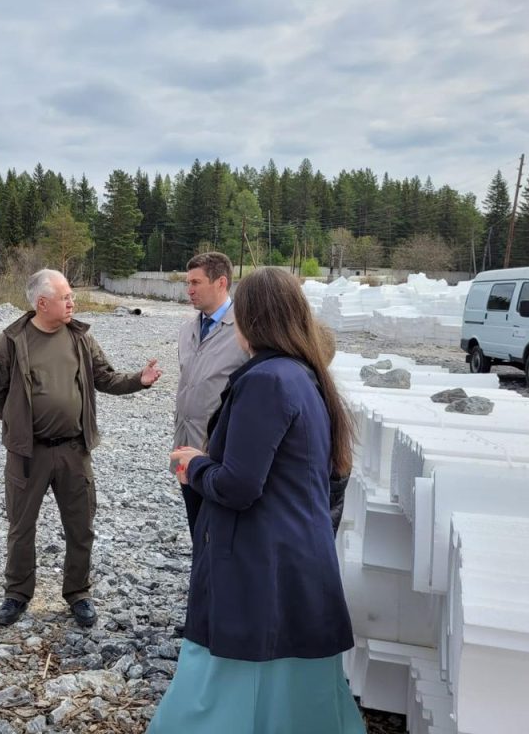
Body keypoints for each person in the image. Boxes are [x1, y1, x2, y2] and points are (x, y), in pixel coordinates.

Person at [152, 267, 365, 734]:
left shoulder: (266, 380)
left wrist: (195, 465)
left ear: (250, 319)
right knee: (296, 693)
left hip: (258, 565)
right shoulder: (304, 374)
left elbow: (239, 485)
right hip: (296, 561)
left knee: (220, 687)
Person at [0, 269, 163, 629]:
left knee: (81, 526)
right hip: (27, 454)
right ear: (42, 303)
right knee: (21, 527)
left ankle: (78, 593)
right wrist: (18, 424)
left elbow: (105, 377)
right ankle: (17, 594)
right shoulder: (11, 340)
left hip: (74, 451)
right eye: (65, 297)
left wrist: (138, 381)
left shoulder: (79, 337)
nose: (72, 301)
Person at [174, 251, 248, 537]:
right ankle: (200, 580)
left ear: (221, 283)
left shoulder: (244, 330)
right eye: (187, 283)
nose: (189, 290)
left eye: (196, 282)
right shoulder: (187, 329)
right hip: (186, 446)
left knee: (220, 531)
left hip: (222, 455)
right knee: (196, 526)